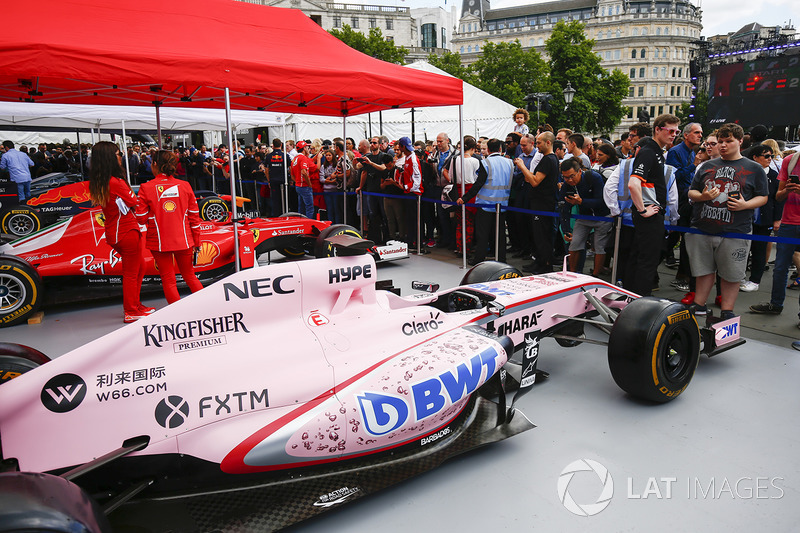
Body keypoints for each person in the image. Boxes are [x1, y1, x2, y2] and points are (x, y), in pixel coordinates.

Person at [686, 123, 768, 319]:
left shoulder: (754, 168)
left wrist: (745, 205)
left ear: (740, 141)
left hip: (735, 231)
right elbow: (691, 191)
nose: (723, 145)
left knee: (732, 274)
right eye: (720, 141)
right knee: (703, 270)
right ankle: (699, 304)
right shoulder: (706, 166)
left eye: (728, 141)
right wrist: (703, 196)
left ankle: (727, 311)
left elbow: (763, 196)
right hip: (703, 228)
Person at [87, 142, 152, 323]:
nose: (120, 156)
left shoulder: (102, 180)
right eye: (117, 153)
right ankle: (131, 310)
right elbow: (134, 202)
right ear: (109, 157)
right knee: (132, 272)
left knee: (140, 268)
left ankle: (136, 305)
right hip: (125, 231)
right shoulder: (115, 182)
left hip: (120, 230)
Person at [137, 150, 204, 305]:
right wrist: (197, 241)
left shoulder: (146, 188)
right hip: (184, 240)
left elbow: (140, 219)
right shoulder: (185, 186)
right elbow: (194, 216)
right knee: (190, 276)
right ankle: (205, 310)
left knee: (168, 279)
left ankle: (176, 314)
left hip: (159, 241)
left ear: (154, 164)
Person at [626, 114, 679, 296]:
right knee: (647, 260)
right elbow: (633, 184)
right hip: (649, 215)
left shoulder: (655, 152)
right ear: (658, 129)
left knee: (640, 257)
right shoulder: (649, 152)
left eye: (676, 131)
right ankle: (641, 300)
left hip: (650, 213)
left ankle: (634, 297)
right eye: (670, 131)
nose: (673, 135)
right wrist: (643, 210)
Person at [750, 150, 800, 318]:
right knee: (780, 268)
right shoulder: (790, 161)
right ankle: (775, 304)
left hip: (791, 223)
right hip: (788, 222)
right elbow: (778, 196)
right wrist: (787, 190)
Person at [458, 138, 512, 265]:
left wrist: (464, 198)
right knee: (500, 234)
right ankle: (501, 258)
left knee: (483, 234)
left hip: (486, 204)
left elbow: (478, 184)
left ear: (488, 149)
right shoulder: (509, 162)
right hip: (503, 203)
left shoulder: (486, 163)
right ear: (500, 149)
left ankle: (479, 259)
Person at [560, 158, 612, 276]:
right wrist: (566, 230)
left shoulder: (594, 177)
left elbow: (601, 201)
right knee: (574, 244)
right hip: (583, 217)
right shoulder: (566, 185)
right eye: (565, 177)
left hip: (603, 216)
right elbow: (563, 208)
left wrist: (581, 202)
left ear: (579, 171)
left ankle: (595, 275)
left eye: (572, 176)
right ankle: (572, 274)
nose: (569, 180)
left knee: (599, 247)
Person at [741, 144, 782, 292]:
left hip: (764, 219)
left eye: (771, 156)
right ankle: (739, 277)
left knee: (759, 250)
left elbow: (778, 199)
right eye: (766, 156)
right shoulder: (746, 173)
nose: (769, 159)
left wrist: (777, 219)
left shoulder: (774, 176)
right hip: (745, 217)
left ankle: (755, 280)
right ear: (755, 157)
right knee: (742, 249)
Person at [290, 140, 317, 219]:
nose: (308, 148)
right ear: (304, 148)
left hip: (298, 186)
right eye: (307, 147)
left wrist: (298, 181)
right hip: (304, 186)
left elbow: (292, 175)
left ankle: (301, 224)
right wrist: (309, 184)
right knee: (309, 208)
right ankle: (309, 225)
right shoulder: (303, 158)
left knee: (301, 208)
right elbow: (304, 172)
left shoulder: (294, 159)